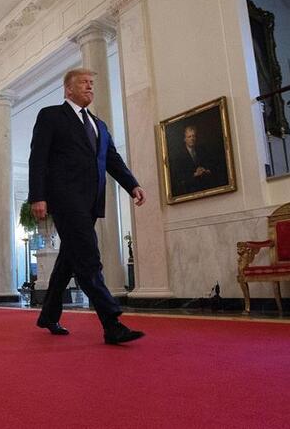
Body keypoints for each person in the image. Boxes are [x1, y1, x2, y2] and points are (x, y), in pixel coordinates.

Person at [28, 68, 146, 344]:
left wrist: (133, 185)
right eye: (84, 83)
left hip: (91, 201)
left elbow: (112, 160)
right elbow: (38, 158)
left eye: (92, 83)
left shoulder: (99, 125)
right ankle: (111, 323)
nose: (90, 87)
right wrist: (38, 196)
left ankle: (48, 315)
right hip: (65, 199)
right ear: (68, 89)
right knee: (88, 256)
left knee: (69, 260)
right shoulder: (51, 116)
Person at [171, 125, 221, 196]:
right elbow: (179, 177)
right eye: (189, 137)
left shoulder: (202, 150)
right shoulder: (179, 155)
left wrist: (205, 170)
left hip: (205, 187)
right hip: (189, 190)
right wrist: (195, 174)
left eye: (193, 136)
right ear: (185, 139)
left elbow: (212, 165)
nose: (192, 139)